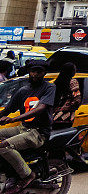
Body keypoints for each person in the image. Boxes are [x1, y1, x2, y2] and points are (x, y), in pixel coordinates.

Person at [0, 59, 55, 193]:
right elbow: (7, 110)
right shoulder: (23, 90)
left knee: (3, 146)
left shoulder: (49, 88)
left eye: (39, 71)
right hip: (23, 128)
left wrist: (14, 119)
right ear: (29, 72)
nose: (35, 74)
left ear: (44, 73)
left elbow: (40, 108)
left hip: (39, 133)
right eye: (33, 71)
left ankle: (27, 175)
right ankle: (9, 174)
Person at [52, 62, 82, 129]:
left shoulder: (56, 82)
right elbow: (77, 100)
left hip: (54, 115)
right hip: (66, 116)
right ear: (71, 71)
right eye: (74, 70)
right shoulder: (73, 82)